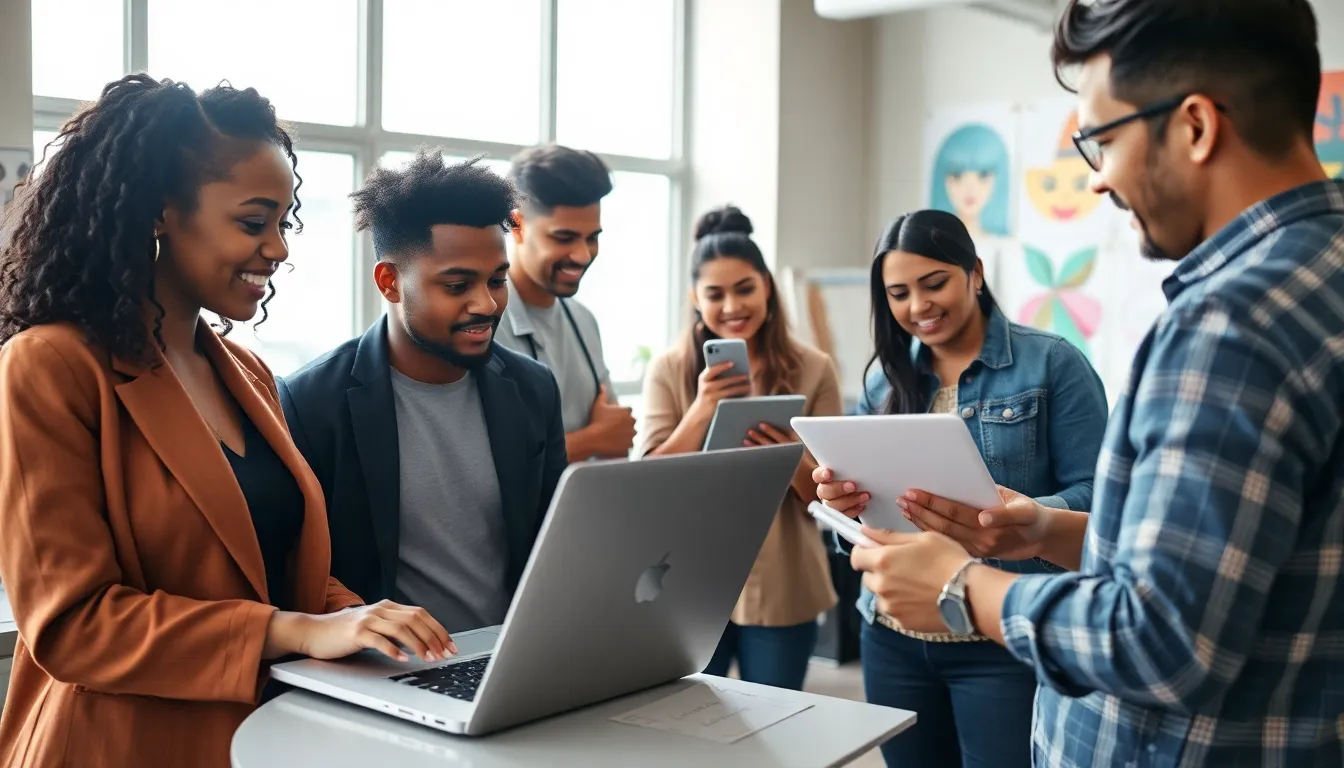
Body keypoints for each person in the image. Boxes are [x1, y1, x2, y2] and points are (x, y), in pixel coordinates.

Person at [831, 1, 1344, 765]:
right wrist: (1043, 529)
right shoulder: (1320, 271)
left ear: (1196, 126)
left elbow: (1162, 641)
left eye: (1102, 141)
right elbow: (1231, 559)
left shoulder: (1229, 324)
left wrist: (965, 587)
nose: (1099, 179)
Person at [0, 75, 451, 768]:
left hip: (257, 741)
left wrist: (363, 623)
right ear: (159, 212)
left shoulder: (247, 375)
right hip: (114, 748)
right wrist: (294, 630)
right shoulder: (50, 366)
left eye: (283, 223)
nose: (279, 248)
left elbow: (276, 570)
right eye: (252, 221)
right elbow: (74, 625)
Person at [818, 209, 1108, 767]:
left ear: (975, 273)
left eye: (934, 284)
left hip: (999, 634)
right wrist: (846, 507)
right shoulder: (883, 380)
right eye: (898, 294)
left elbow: (1103, 497)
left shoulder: (1052, 363)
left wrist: (1028, 516)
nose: (918, 306)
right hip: (893, 635)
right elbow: (869, 515)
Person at [278, 150, 567, 634]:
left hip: (516, 656)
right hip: (385, 669)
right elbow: (291, 565)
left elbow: (555, 542)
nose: (487, 303)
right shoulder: (310, 403)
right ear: (389, 282)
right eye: (457, 285)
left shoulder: (532, 388)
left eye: (498, 280)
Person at [635, 206, 839, 691]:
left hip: (784, 579)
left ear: (766, 285)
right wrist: (702, 409)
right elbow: (646, 483)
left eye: (745, 288)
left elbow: (835, 500)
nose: (732, 306)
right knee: (684, 720)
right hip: (687, 580)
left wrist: (790, 456)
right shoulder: (669, 369)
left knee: (774, 718)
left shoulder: (814, 369)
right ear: (695, 298)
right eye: (715, 294)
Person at [493, 143, 635, 462]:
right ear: (516, 225)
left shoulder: (584, 320)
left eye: (592, 237)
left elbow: (618, 441)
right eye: (564, 237)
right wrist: (592, 439)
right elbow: (489, 460)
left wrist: (604, 437)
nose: (583, 255)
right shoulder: (484, 326)